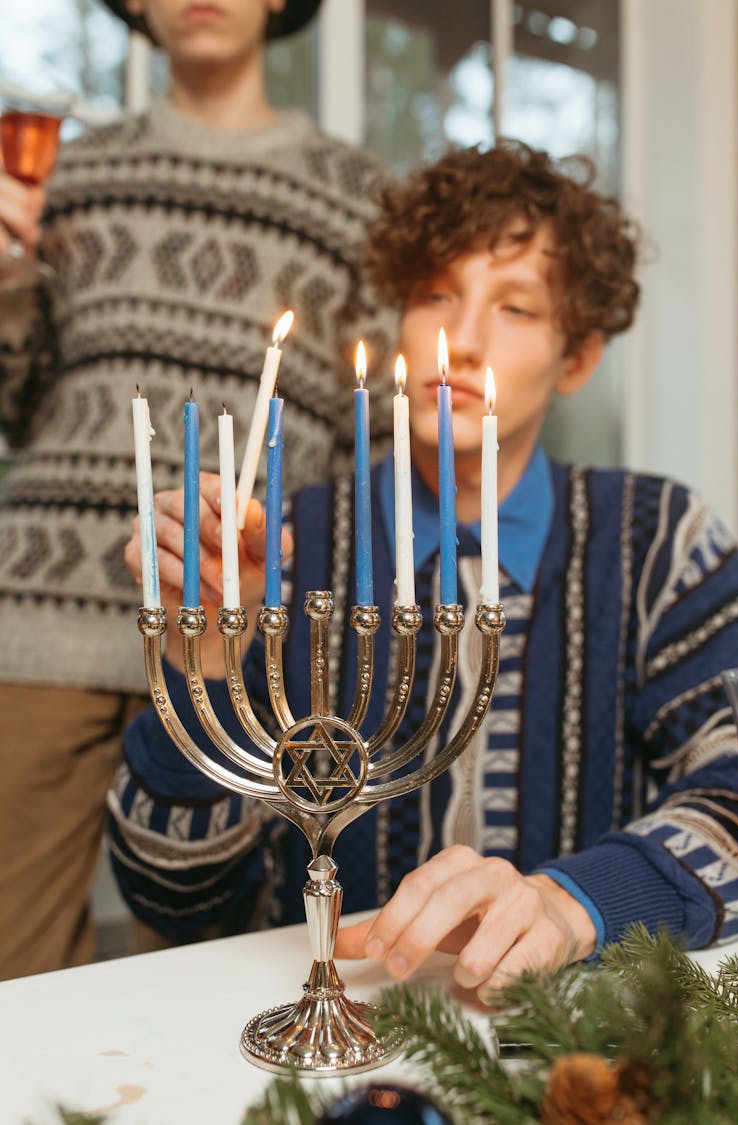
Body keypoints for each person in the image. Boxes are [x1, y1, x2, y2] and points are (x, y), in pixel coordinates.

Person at [110, 140, 738, 997]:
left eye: (517, 308)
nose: (464, 341)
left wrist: (571, 903)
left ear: (579, 358)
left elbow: (735, 798)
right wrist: (208, 655)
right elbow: (172, 893)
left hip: (578, 1035)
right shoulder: (283, 547)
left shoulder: (660, 544)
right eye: (435, 296)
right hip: (330, 1030)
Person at [0, 0, 396, 979]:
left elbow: (374, 435)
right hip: (45, 615)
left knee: (207, 968)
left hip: (237, 630)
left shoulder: (358, 197)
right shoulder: (72, 172)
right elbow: (17, 402)